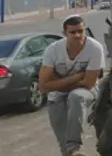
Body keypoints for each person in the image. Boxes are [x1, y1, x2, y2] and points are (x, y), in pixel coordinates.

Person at [39, 15, 105, 156]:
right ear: (65, 34)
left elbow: (89, 83)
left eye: (80, 31)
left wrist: (56, 82)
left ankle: (75, 145)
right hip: (56, 97)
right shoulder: (53, 50)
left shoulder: (95, 48)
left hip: (87, 91)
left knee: (76, 96)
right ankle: (72, 151)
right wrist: (77, 76)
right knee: (65, 148)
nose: (77, 35)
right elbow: (43, 86)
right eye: (72, 32)